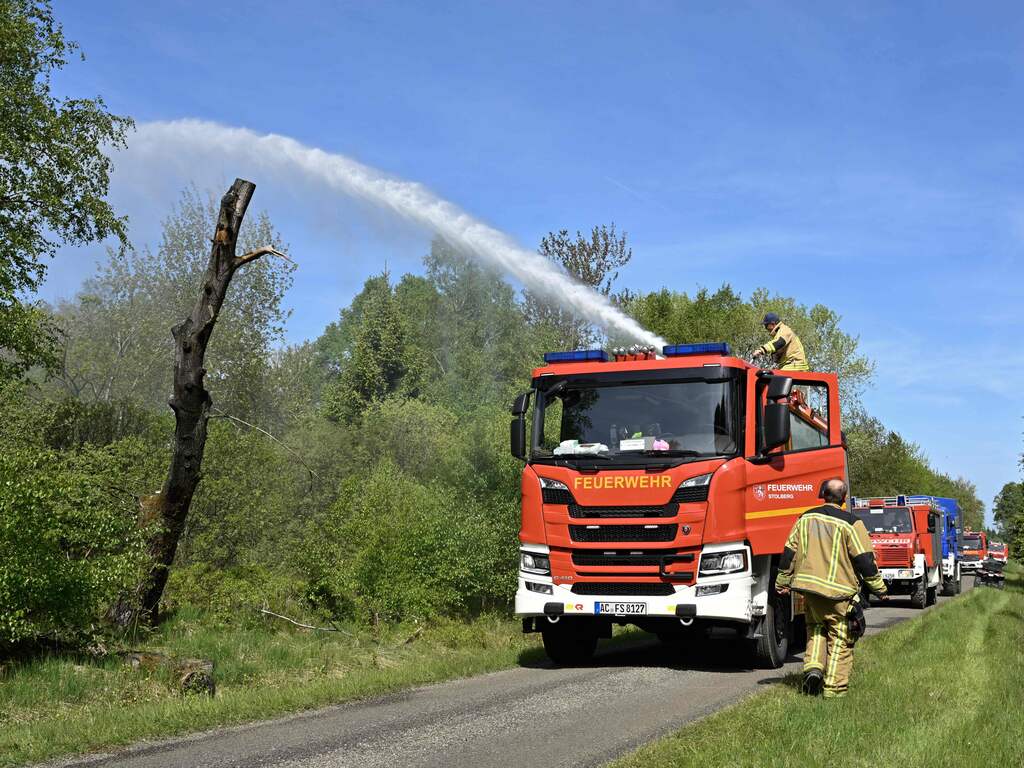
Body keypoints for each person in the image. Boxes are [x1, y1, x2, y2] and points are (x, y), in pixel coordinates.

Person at [775, 478, 887, 698]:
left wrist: (782, 582)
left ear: (822, 494)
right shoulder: (852, 524)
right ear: (844, 499)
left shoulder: (805, 518)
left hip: (809, 590)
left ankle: (813, 669)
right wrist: (880, 589)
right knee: (840, 639)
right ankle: (833, 691)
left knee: (815, 629)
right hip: (839, 594)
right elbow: (865, 560)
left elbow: (789, 552)